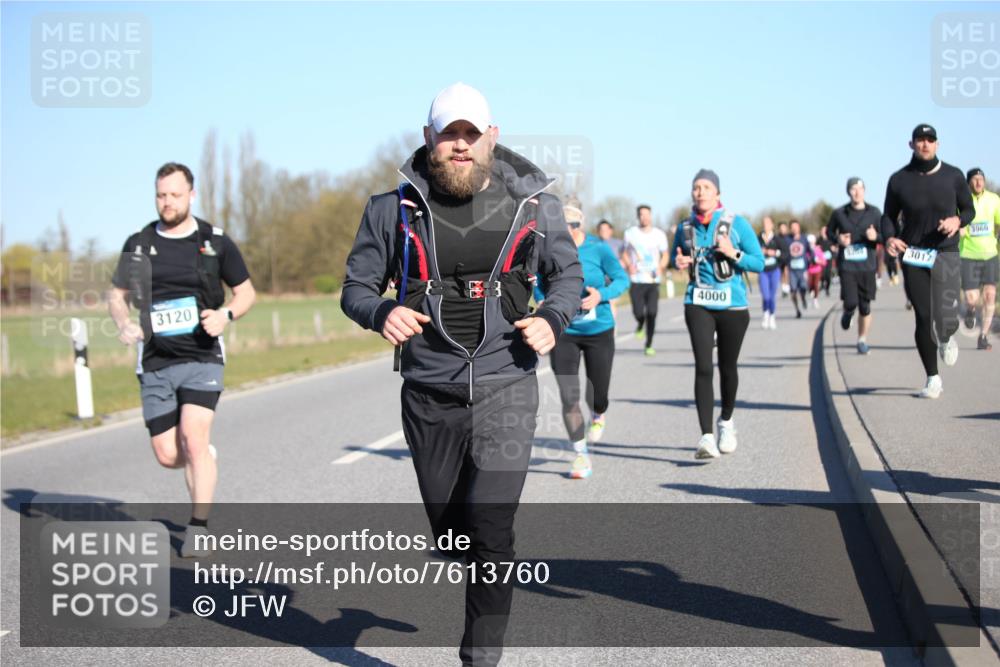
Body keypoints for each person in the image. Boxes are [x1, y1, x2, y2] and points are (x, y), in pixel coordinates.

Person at [340, 83, 582, 667]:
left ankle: (478, 660)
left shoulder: (535, 205)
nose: (460, 146)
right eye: (449, 134)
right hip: (429, 393)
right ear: (428, 140)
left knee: (492, 531)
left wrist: (552, 316)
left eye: (471, 134)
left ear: (491, 137)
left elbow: (567, 276)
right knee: (457, 535)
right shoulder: (389, 210)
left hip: (507, 383)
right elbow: (355, 289)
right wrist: (381, 311)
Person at [108, 162, 256, 557]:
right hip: (155, 359)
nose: (167, 202)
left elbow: (245, 293)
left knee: (193, 435)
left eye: (175, 194)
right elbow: (117, 295)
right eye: (161, 195)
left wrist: (225, 315)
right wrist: (124, 324)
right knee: (168, 454)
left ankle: (199, 526)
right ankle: (201, 456)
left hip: (202, 355)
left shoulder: (214, 241)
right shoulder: (138, 244)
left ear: (191, 195)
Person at [672, 169, 764, 459]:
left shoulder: (737, 225)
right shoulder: (684, 227)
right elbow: (677, 257)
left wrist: (733, 253)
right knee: (703, 366)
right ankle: (706, 437)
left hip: (732, 305)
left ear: (718, 194)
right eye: (696, 187)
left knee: (727, 367)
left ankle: (726, 420)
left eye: (706, 187)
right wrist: (679, 261)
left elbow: (759, 263)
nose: (700, 192)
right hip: (697, 301)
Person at [882, 124, 975, 398]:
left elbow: (969, 209)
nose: (925, 145)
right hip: (914, 255)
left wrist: (958, 220)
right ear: (911, 145)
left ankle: (946, 335)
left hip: (946, 251)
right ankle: (932, 378)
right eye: (920, 140)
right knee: (924, 315)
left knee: (946, 316)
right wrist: (889, 237)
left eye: (930, 140)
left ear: (937, 144)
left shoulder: (953, 176)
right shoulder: (899, 179)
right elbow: (888, 216)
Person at [537, 202, 628, 479]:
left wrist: (602, 295)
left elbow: (622, 279)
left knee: (598, 394)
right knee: (569, 396)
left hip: (598, 330)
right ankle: (580, 454)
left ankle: (599, 413)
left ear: (577, 228)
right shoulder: (548, 251)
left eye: (566, 228)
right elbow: (538, 284)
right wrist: (543, 302)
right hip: (564, 333)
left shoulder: (599, 249)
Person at [827, 177, 883, 355]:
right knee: (851, 302)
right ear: (848, 192)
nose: (857, 192)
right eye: (853, 189)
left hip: (867, 266)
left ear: (864, 191)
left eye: (860, 188)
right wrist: (838, 239)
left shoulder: (874, 212)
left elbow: (886, 235)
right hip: (848, 266)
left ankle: (862, 340)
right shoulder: (839, 213)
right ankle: (848, 312)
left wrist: (876, 237)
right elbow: (828, 232)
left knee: (865, 307)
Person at [959, 167, 1000, 350]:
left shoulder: (994, 199)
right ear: (969, 183)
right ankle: (970, 310)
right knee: (971, 297)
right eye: (974, 179)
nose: (978, 182)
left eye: (981, 179)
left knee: (990, 295)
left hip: (990, 254)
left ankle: (983, 336)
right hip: (968, 254)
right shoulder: (961, 201)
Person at [623, 204, 669, 355]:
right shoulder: (630, 233)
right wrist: (629, 265)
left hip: (653, 281)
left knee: (652, 312)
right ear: (638, 217)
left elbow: (666, 255)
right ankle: (640, 324)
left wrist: (660, 267)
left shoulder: (659, 235)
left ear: (651, 216)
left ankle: (649, 344)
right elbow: (623, 253)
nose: (644, 217)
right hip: (636, 279)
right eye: (641, 215)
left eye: (647, 214)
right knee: (638, 312)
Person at [758, 215, 782, 329]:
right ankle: (765, 314)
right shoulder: (758, 238)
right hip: (763, 271)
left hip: (774, 270)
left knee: (772, 296)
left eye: (768, 223)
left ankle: (772, 315)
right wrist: (760, 252)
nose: (765, 225)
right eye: (764, 223)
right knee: (765, 295)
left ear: (772, 225)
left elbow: (784, 253)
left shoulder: (777, 239)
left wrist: (774, 253)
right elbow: (753, 251)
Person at [786, 220, 813, 318]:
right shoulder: (787, 239)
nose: (794, 229)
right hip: (792, 269)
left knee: (803, 288)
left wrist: (812, 260)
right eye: (792, 227)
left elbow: (810, 251)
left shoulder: (804, 238)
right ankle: (797, 310)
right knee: (793, 290)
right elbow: (784, 251)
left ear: (799, 227)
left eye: (796, 227)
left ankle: (803, 298)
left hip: (802, 269)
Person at [806, 233, 827, 309]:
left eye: (812, 242)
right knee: (810, 285)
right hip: (809, 270)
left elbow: (824, 261)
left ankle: (815, 300)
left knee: (816, 285)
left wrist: (818, 261)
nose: (811, 244)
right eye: (809, 243)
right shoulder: (806, 251)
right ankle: (811, 296)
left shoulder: (818, 249)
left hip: (817, 270)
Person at [816, 224, 835, 297]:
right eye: (822, 230)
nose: (824, 232)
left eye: (825, 230)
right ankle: (822, 284)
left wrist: (833, 249)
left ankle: (827, 289)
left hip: (829, 259)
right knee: (822, 274)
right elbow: (816, 248)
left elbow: (834, 248)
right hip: (821, 259)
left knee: (828, 275)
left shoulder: (830, 239)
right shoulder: (819, 239)